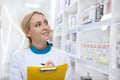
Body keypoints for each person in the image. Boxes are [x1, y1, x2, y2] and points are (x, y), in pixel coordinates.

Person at [9, 11, 71, 80]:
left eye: (46, 23)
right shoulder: (18, 57)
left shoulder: (63, 56)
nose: (45, 27)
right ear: (27, 32)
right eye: (38, 25)